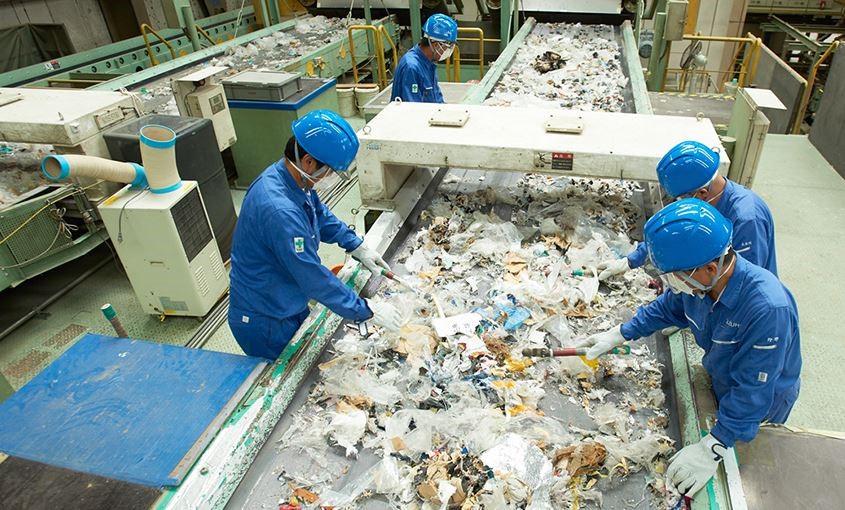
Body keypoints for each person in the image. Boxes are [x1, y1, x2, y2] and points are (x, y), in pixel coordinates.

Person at [580, 199, 801, 497]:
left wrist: (715, 445)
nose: (672, 282)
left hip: (764, 403)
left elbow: (753, 390)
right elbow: (669, 307)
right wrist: (620, 333)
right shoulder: (703, 284)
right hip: (725, 378)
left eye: (676, 275)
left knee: (747, 469)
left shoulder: (767, 309)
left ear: (711, 267)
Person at [228, 110, 402, 360]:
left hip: (285, 299)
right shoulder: (279, 210)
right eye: (329, 170)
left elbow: (319, 214)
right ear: (308, 161)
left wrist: (355, 245)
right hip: (265, 318)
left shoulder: (292, 180)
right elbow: (311, 275)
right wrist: (364, 309)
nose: (329, 177)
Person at [598, 140, 778, 280]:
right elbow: (673, 232)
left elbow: (742, 281)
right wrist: (630, 261)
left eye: (682, 198)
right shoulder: (708, 203)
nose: (680, 204)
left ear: (702, 192)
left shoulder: (747, 219)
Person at [390, 13, 458, 103]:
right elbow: (412, 109)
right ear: (436, 45)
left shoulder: (429, 62)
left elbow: (437, 98)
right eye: (446, 48)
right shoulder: (411, 67)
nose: (446, 52)